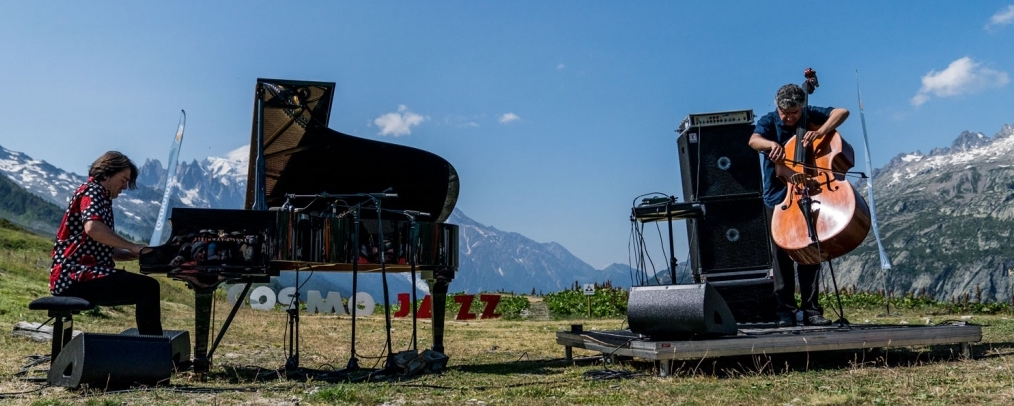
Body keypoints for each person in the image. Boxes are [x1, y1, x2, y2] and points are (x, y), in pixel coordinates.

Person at [748, 83, 849, 327]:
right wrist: (771, 145)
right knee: (782, 256)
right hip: (779, 197)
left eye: (795, 113)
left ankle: (812, 310)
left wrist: (821, 131)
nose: (791, 117)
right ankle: (785, 311)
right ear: (777, 107)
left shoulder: (809, 114)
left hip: (811, 193)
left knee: (810, 251)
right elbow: (754, 140)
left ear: (801, 107)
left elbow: (842, 112)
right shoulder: (770, 121)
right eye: (786, 113)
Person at [49, 151, 163, 336]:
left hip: (78, 275)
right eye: (123, 179)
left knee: (146, 287)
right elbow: (93, 228)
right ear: (108, 173)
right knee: (147, 288)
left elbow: (103, 248)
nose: (125, 186)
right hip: (74, 276)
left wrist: (133, 254)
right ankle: (154, 354)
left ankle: (151, 350)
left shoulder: (99, 195)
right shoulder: (92, 191)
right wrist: (131, 245)